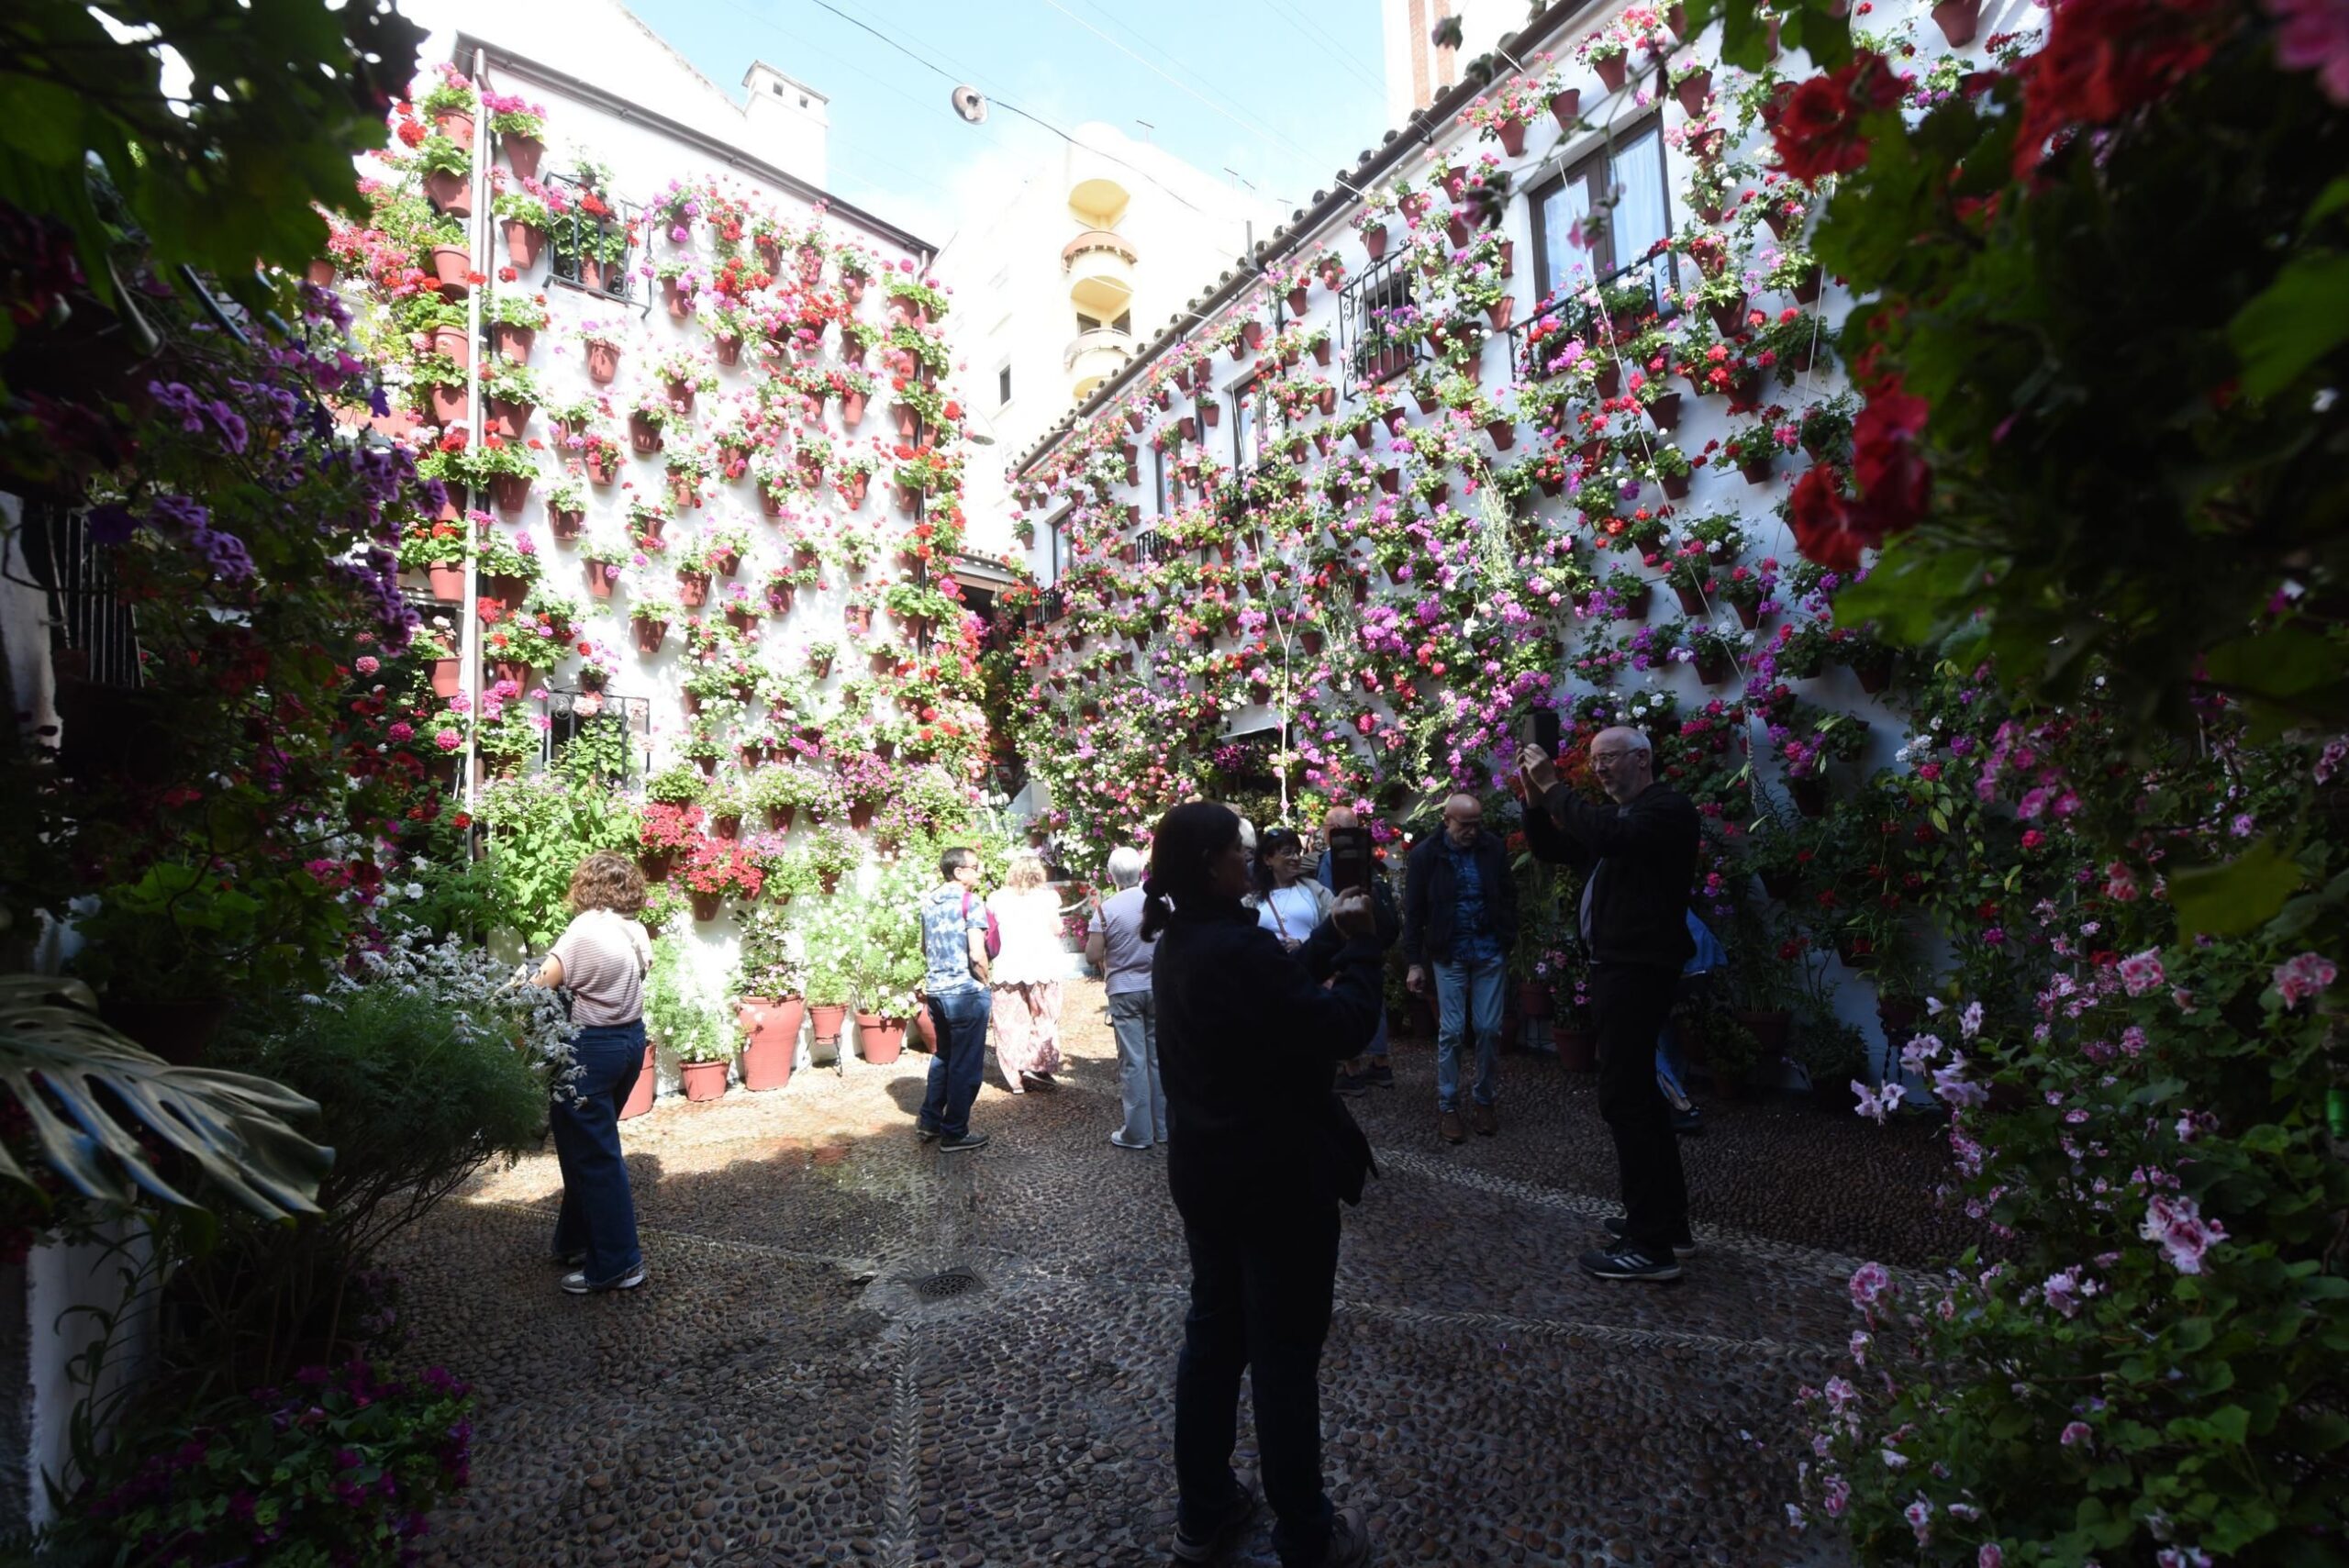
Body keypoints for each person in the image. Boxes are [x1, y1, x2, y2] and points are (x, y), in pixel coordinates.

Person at [1150, 801, 1386, 1568]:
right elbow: (1342, 1027)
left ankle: (1204, 1511)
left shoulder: (1183, 940)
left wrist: (1324, 936)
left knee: (1214, 1341)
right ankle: (1307, 1534)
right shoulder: (1235, 950)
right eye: (1242, 849)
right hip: (1277, 1182)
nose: (1252, 859)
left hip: (1208, 1177)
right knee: (1284, 1356)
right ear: (1214, 862)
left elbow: (1273, 988)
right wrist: (1360, 950)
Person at [1518, 727, 1700, 1282]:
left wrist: (1554, 787)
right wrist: (1534, 798)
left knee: (1625, 1099)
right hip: (1622, 968)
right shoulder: (1622, 819)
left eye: (1609, 759)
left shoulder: (1664, 809)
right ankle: (1665, 1225)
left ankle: (1651, 1248)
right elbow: (1554, 847)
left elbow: (1606, 835)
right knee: (1639, 1098)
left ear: (1643, 759)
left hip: (1636, 969)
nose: (1597, 769)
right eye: (1592, 761)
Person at [531, 851, 652, 1296]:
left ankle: (620, 1265)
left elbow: (541, 983)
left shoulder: (584, 931)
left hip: (590, 1048)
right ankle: (577, 1241)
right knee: (586, 1148)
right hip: (629, 1045)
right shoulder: (635, 930)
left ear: (587, 886)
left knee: (595, 1158)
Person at [1401, 792, 1519, 1144]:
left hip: (1488, 951)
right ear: (1447, 821)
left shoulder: (1492, 848)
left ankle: (1485, 1100)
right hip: (1448, 953)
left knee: (1489, 1029)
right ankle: (1448, 1105)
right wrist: (1413, 963)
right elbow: (1415, 911)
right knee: (1451, 1032)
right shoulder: (1426, 856)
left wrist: (1506, 935)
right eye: (1464, 825)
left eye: (1476, 824)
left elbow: (1509, 894)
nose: (1472, 831)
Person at [1086, 846, 1165, 1149]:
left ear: (1112, 875)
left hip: (1124, 990)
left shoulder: (1107, 909)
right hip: (1158, 986)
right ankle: (1163, 1128)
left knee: (1133, 1062)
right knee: (1158, 1059)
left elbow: (1093, 953)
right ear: (1140, 870)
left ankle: (1138, 1133)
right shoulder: (1160, 902)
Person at [916, 846, 993, 1152]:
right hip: (965, 993)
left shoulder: (928, 902)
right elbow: (977, 953)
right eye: (975, 866)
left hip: (936, 992)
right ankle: (955, 1132)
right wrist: (986, 982)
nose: (979, 871)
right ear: (958, 872)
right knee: (966, 1065)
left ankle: (929, 1121)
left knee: (944, 1057)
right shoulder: (970, 901)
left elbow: (924, 948)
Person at [1316, 806, 1396, 1094]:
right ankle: (1381, 1063)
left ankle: (1352, 1071)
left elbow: (1329, 901)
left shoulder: (1331, 860)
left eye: (1325, 826)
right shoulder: (1367, 857)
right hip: (1371, 932)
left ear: (1335, 829)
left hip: (1345, 934)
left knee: (1345, 992)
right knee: (1373, 992)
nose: (1323, 831)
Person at [987, 851, 1068, 1093]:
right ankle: (1037, 1064)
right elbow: (1057, 928)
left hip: (1007, 968)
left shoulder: (995, 898)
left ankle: (1015, 1079)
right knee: (1044, 1017)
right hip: (1043, 967)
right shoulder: (1048, 898)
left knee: (1009, 1024)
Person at [1252, 827, 1334, 951]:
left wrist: (1303, 942)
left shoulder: (1316, 891)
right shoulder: (1252, 900)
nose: (1295, 858)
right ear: (1267, 859)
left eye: (1297, 852)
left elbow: (1333, 926)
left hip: (1309, 966)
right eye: (1287, 852)